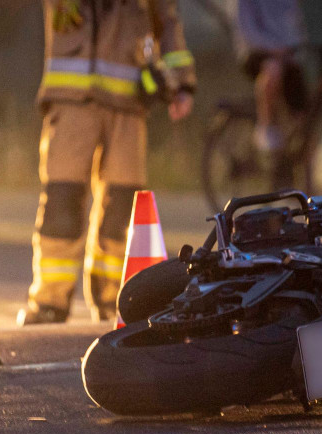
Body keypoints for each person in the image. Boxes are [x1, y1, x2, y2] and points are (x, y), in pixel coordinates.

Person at [18, 0, 196, 326]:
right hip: (71, 99)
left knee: (122, 207)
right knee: (62, 199)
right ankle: (49, 301)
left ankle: (113, 299)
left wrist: (181, 84)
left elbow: (167, 21)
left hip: (128, 104)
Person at [235, 0, 306, 155]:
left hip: (286, 56)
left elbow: (295, 23)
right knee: (272, 69)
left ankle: (299, 161)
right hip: (255, 52)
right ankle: (264, 128)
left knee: (304, 118)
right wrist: (274, 48)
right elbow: (247, 30)